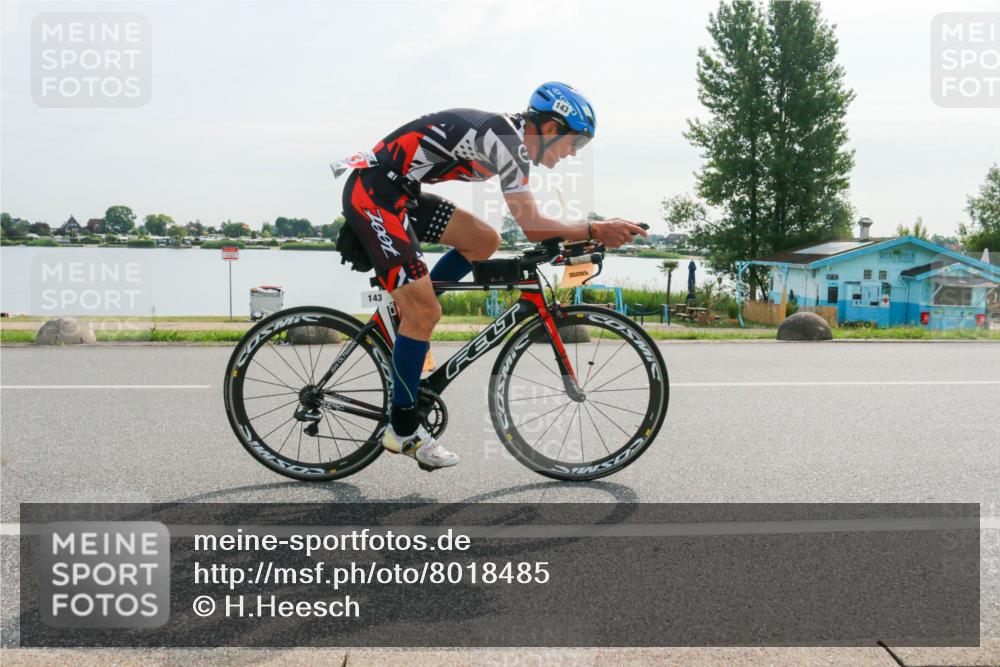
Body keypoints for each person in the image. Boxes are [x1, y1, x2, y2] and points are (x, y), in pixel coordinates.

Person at [336, 81, 647, 471]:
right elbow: (533, 224)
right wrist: (596, 229)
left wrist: (573, 241)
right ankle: (403, 430)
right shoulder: (507, 139)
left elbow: (533, 226)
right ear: (551, 129)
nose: (572, 154)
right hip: (375, 194)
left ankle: (410, 316)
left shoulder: (508, 138)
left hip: (402, 193)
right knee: (425, 314)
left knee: (484, 241)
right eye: (575, 143)